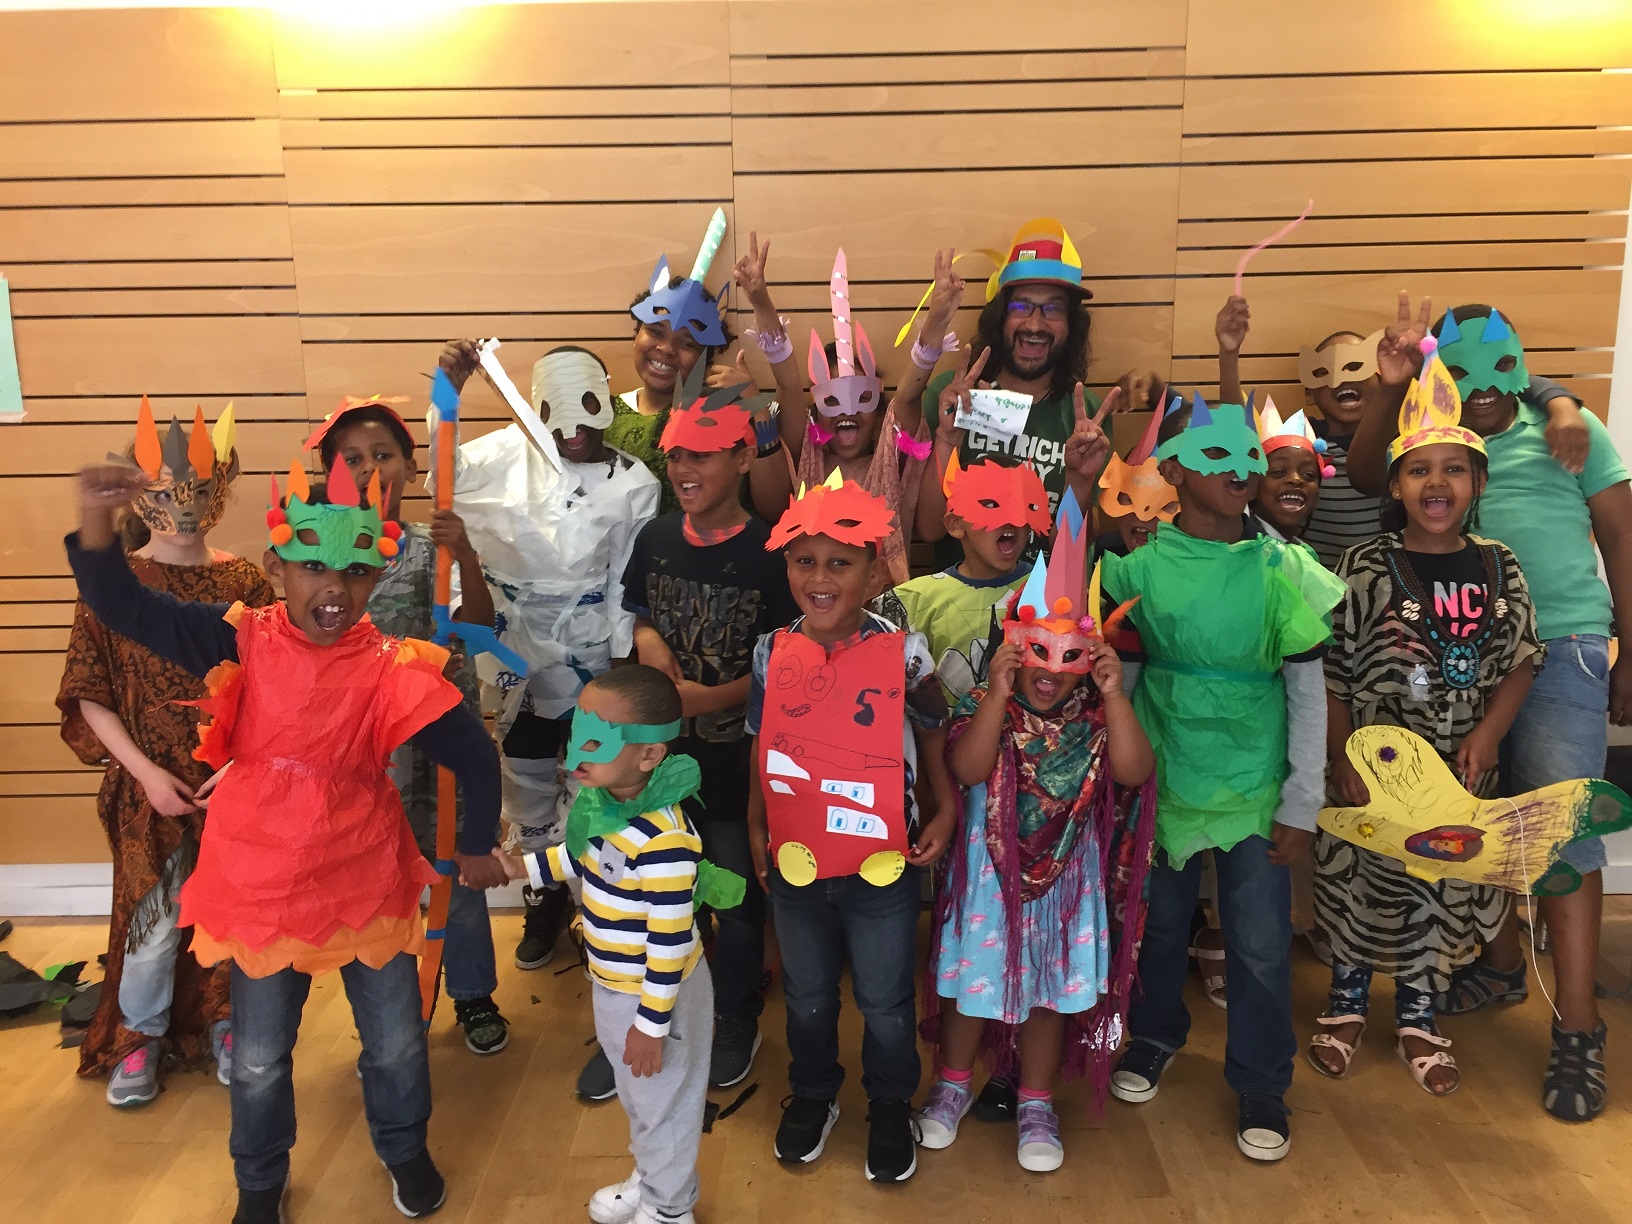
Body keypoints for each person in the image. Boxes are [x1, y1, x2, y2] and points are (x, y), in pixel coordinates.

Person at [67, 452, 506, 1223]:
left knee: (397, 1043)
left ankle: (404, 1148)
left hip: (364, 879)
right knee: (262, 1056)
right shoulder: (237, 640)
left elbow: (472, 752)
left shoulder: (390, 667)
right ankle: (260, 1181)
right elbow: (121, 604)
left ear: (377, 576)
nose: (333, 588)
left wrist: (474, 844)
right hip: (262, 885)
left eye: (354, 572)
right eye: (312, 567)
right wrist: (97, 519)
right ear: (276, 569)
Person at [1346, 295, 1632, 1123]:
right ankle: (1503, 964)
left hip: (1563, 646)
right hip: (1451, 660)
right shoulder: (1433, 436)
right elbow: (1365, 476)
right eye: (1460, 368)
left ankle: (1577, 1025)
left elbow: (1621, 536)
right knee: (1471, 812)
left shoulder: (1568, 429)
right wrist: (1395, 384)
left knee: (1560, 824)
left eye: (1500, 368)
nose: (1479, 386)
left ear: (1522, 365)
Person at [1101, 395, 1338, 1162]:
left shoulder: (1282, 570)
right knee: (1159, 925)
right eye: (1216, 456)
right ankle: (1153, 1035)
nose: (1241, 469)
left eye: (1249, 456)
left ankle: (1263, 1080)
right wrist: (1116, 786)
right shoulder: (1138, 569)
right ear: (1172, 472)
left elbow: (1308, 693)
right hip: (1162, 780)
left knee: (1261, 942)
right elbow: (1123, 684)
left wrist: (1302, 799)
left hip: (1254, 786)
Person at [1313, 345, 1540, 1099]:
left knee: (1437, 882)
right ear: (1396, 485)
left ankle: (1417, 1014)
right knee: (1362, 879)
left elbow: (1521, 659)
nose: (1436, 483)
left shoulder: (1501, 564)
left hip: (1459, 771)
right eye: (1419, 470)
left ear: (1478, 482)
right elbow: (1332, 668)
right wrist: (1342, 753)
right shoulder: (1363, 565)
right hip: (1373, 768)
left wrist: (1489, 734)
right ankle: (1346, 1004)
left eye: (1453, 470)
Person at [918, 496, 1157, 1172]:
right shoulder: (982, 704)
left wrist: (1115, 694)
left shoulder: (1096, 716)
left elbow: (1136, 772)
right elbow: (967, 770)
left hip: (1066, 889)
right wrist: (996, 694)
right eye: (1036, 653)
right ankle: (953, 1085)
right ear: (1012, 649)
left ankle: (1036, 1100)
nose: (1050, 672)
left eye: (1069, 657)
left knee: (1049, 996)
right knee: (972, 985)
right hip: (989, 881)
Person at [57, 401, 272, 1106]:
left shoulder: (246, 585)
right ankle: (138, 1036)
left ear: (222, 490)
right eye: (169, 489)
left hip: (232, 786)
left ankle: (227, 1022)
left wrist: (241, 768)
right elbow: (89, 692)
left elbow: (273, 689)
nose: (186, 504)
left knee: (231, 915)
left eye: (202, 489)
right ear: (139, 496)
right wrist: (146, 774)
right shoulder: (117, 586)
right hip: (149, 790)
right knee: (152, 928)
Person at [745, 474, 958, 1184]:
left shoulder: (905, 651)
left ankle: (890, 1103)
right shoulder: (771, 652)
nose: (820, 578)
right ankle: (814, 1091)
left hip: (882, 860)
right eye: (805, 561)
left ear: (873, 573)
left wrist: (946, 809)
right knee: (807, 994)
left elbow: (933, 734)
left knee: (885, 999)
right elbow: (762, 744)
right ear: (786, 567)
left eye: (840, 563)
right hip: (797, 856)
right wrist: (756, 824)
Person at [436, 341, 661, 976]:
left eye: (588, 406)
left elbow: (625, 579)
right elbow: (446, 473)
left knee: (595, 776)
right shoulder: (501, 456)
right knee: (525, 773)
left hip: (592, 653)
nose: (573, 429)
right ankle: (543, 894)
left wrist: (619, 660)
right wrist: (446, 394)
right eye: (556, 413)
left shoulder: (633, 482)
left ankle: (598, 907)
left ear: (606, 401)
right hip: (512, 644)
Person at [494, 666, 742, 1224]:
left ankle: (670, 1210)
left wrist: (651, 1027)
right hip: (614, 983)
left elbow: (670, 941)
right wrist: (518, 868)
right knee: (639, 1098)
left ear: (648, 755)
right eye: (577, 729)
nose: (576, 749)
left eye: (596, 738)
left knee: (665, 1107)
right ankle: (653, 1180)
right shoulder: (605, 805)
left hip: (658, 996)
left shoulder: (664, 841)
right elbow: (579, 857)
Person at [613, 368, 797, 1094]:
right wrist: (652, 649)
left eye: (703, 454)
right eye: (676, 454)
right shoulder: (657, 537)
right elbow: (640, 614)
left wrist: (704, 698)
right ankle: (653, 1014)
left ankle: (736, 1016)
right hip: (658, 766)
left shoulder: (771, 552)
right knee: (658, 891)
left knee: (736, 899)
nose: (684, 468)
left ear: (744, 458)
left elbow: (787, 666)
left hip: (734, 765)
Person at [309, 395, 508, 1056]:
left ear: (410, 467)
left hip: (440, 743)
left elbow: (477, 627)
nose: (370, 469)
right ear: (332, 474)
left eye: (383, 455)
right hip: (366, 751)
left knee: (455, 871)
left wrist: (467, 556)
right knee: (377, 882)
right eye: (352, 459)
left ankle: (473, 993)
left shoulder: (431, 550)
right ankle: (397, 1007)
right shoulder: (321, 554)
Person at [917, 217, 1145, 564]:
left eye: (1053, 309)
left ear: (1071, 324)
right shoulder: (951, 396)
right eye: (1021, 306)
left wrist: (1079, 483)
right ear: (1000, 316)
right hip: (960, 591)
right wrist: (947, 439)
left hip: (1043, 594)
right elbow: (930, 530)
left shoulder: (1087, 416)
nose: (1035, 324)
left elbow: (1070, 551)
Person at [763, 246, 965, 589]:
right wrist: (759, 301)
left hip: (881, 606)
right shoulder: (807, 458)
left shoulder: (889, 462)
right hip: (814, 600)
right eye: (832, 399)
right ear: (815, 411)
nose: (847, 410)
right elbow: (788, 384)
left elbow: (908, 395)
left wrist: (936, 323)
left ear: (880, 412)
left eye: (861, 399)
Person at [608, 214, 792, 520]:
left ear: (706, 358)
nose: (667, 349)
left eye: (687, 343)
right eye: (655, 331)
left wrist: (757, 409)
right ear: (636, 333)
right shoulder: (604, 415)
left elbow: (775, 510)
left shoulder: (724, 413)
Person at [888, 457, 1049, 705]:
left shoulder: (1051, 592)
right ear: (955, 524)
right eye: (992, 504)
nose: (1014, 519)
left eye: (1023, 505)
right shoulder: (913, 601)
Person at [1250, 401, 1332, 545]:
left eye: (1308, 475)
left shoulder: (1302, 551)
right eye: (1279, 471)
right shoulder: (1245, 549)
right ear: (1253, 484)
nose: (1295, 479)